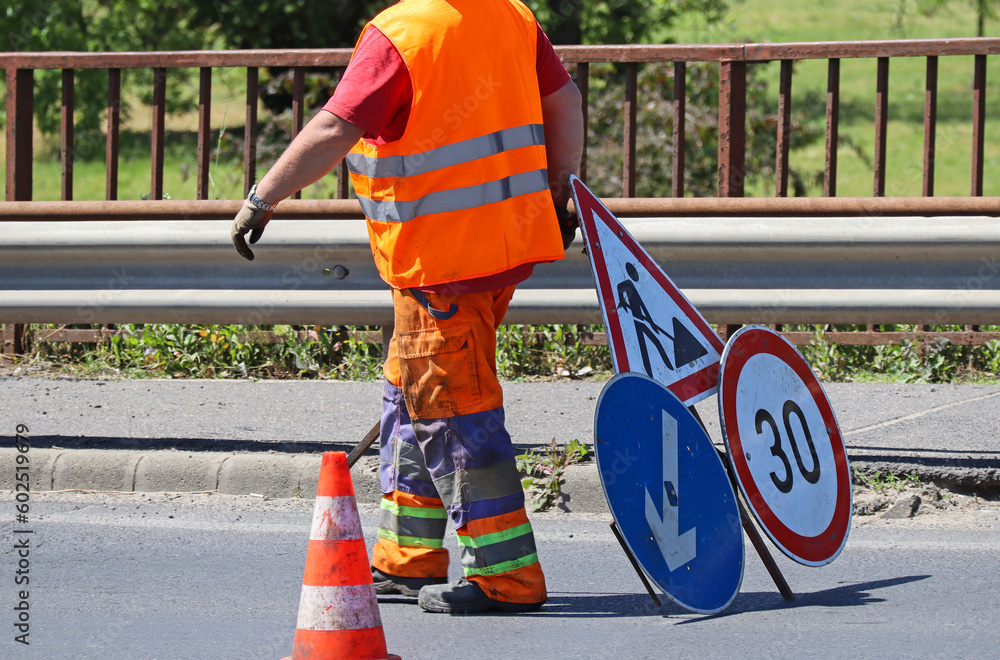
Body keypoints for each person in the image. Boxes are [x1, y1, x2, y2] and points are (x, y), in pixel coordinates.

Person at [231, 0, 584, 614]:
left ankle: (508, 577)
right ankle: (408, 561)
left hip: (441, 266)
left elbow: (333, 130)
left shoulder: (399, 35)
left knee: (454, 414)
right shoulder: (511, 16)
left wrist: (263, 198)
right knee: (410, 401)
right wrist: (560, 189)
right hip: (502, 249)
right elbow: (565, 103)